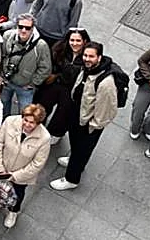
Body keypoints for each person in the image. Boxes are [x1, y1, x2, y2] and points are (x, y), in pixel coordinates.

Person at [49, 42, 121, 190]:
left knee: (82, 149)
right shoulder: (88, 68)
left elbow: (106, 110)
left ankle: (71, 179)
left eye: (91, 56)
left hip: (89, 123)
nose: (87, 58)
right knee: (76, 146)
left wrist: (93, 126)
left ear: (99, 57)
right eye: (85, 55)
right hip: (79, 113)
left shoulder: (106, 83)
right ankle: (74, 161)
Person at [0, 103, 51, 229]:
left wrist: (15, 176)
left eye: (32, 122)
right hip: (3, 168)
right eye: (26, 120)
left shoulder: (44, 138)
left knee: (17, 193)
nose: (27, 124)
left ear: (39, 123)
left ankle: (13, 211)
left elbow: (37, 164)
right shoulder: (10, 121)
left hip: (22, 176)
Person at [33, 27, 87, 142]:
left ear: (84, 41)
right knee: (43, 104)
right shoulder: (59, 49)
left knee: (64, 112)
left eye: (78, 41)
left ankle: (56, 132)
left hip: (71, 88)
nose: (75, 43)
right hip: (55, 83)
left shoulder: (87, 56)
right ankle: (37, 124)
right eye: (72, 40)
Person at [0, 13, 51, 116]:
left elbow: (45, 68)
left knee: (25, 113)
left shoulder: (41, 45)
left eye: (27, 28)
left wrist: (33, 83)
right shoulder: (7, 36)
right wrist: (0, 74)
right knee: (3, 108)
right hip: (6, 81)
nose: (23, 30)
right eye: (21, 27)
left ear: (32, 28)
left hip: (25, 87)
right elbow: (0, 56)